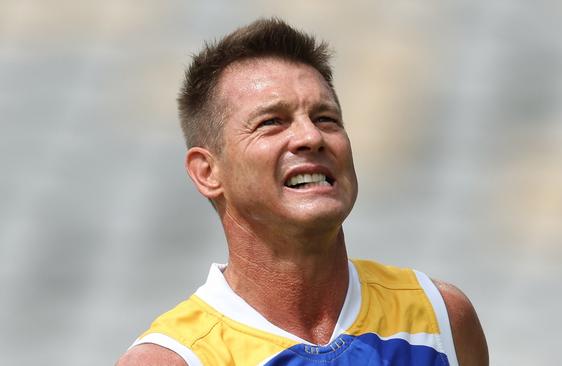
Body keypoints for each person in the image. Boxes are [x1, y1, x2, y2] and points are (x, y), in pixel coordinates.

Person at [116, 18, 488, 366]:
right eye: (272, 122)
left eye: (326, 118)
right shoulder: (174, 359)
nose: (311, 137)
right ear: (208, 172)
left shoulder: (442, 319)